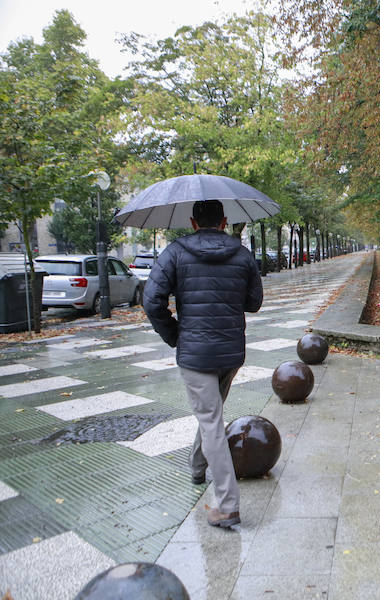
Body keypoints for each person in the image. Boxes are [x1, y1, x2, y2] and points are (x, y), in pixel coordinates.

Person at [143, 199, 263, 528]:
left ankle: (227, 505)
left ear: (193, 223)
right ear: (224, 221)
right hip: (229, 353)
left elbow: (152, 300)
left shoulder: (174, 252)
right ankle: (197, 468)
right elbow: (254, 303)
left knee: (209, 419)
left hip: (195, 354)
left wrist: (175, 335)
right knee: (211, 414)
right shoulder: (242, 254)